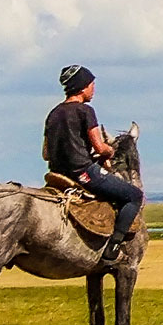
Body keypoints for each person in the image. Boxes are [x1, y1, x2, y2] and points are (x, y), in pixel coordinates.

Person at [42, 65, 142, 251]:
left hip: (56, 174)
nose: (93, 89)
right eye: (91, 85)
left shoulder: (53, 114)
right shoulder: (85, 111)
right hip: (82, 172)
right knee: (134, 196)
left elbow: (45, 154)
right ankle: (113, 246)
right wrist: (109, 152)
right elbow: (99, 147)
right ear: (82, 87)